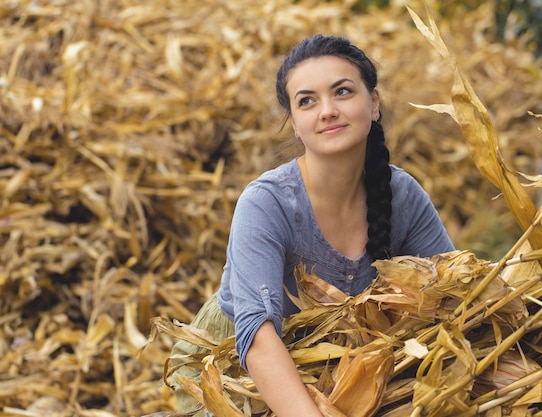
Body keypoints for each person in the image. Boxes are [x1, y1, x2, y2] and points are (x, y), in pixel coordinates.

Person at [168, 34, 454, 417]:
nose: (327, 110)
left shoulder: (402, 195)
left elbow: (454, 293)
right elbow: (258, 339)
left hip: (341, 362)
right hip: (236, 365)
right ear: (295, 124)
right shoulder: (266, 203)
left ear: (373, 103)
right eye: (307, 101)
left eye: (342, 92)